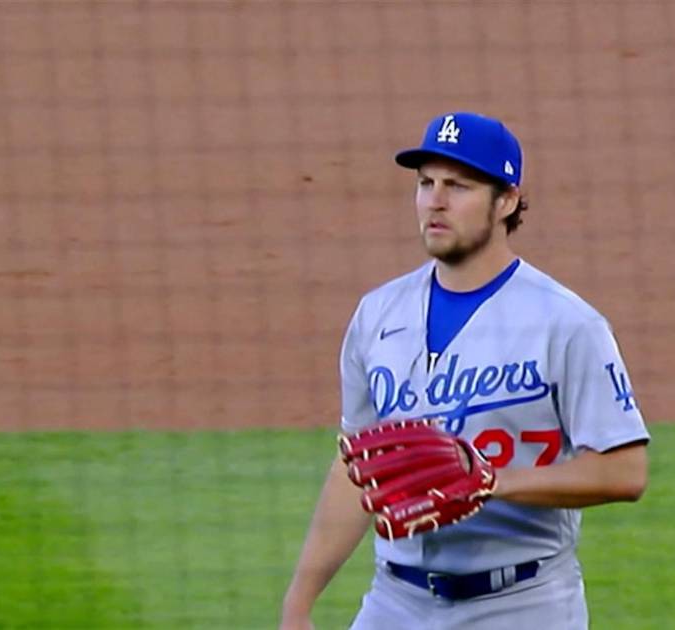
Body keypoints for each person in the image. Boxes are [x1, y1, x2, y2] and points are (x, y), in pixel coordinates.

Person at [279, 112, 651, 630]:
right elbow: (358, 466)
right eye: (426, 183)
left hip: (521, 604)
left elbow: (625, 472)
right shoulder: (377, 314)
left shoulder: (566, 324)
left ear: (507, 201)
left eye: (458, 186)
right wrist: (299, 601)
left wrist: (495, 482)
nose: (435, 200)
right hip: (395, 602)